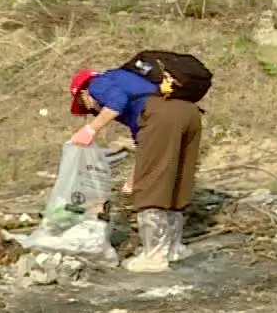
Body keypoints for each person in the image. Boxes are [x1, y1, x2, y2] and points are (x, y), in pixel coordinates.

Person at [70, 64, 202, 274]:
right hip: (190, 113)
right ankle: (174, 249)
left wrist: (89, 129)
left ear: (83, 92)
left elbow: (116, 103)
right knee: (178, 179)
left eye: (84, 105)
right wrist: (132, 180)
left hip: (163, 117)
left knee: (151, 188)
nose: (91, 109)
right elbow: (146, 149)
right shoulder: (137, 87)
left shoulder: (98, 83)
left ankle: (155, 257)